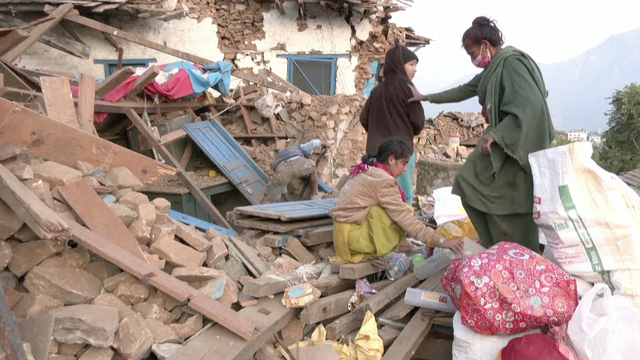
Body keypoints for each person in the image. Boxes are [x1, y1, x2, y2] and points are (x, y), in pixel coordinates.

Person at [408, 17, 554, 252]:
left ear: (485, 45)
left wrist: (497, 134)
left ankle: (520, 253)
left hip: (515, 145)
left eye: (471, 52)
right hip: (499, 140)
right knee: (467, 182)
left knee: (513, 202)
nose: (472, 58)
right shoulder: (491, 71)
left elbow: (531, 106)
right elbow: (463, 90)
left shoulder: (512, 64)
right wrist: (426, 97)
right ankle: (494, 245)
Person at [329, 138, 464, 263]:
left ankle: (395, 243)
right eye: (404, 163)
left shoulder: (370, 170)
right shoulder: (384, 181)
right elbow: (404, 217)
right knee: (396, 214)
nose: (405, 169)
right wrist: (440, 241)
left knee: (391, 210)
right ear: (392, 159)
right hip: (351, 240)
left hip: (342, 236)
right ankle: (387, 246)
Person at [360, 41, 425, 205]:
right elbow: (418, 123)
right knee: (401, 199)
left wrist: (377, 133)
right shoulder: (408, 88)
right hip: (399, 155)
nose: (415, 69)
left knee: (377, 200)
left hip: (376, 155)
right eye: (411, 64)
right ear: (399, 65)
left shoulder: (377, 90)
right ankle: (400, 231)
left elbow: (364, 118)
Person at [262, 139, 329, 204]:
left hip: (280, 168)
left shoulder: (279, 157)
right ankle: (315, 194)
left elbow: (283, 186)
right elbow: (313, 143)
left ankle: (263, 209)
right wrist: (325, 143)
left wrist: (288, 202)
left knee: (268, 199)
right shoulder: (300, 147)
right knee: (313, 166)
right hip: (296, 163)